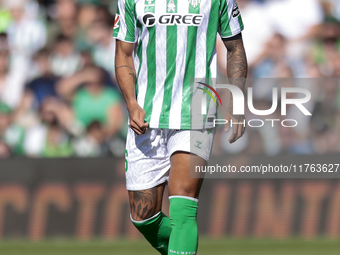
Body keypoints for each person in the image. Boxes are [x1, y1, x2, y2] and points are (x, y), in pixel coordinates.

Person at [114, 0, 247, 254]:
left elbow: (235, 47)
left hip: (197, 108)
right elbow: (123, 53)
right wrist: (131, 103)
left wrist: (236, 102)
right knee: (142, 216)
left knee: (183, 209)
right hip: (147, 115)